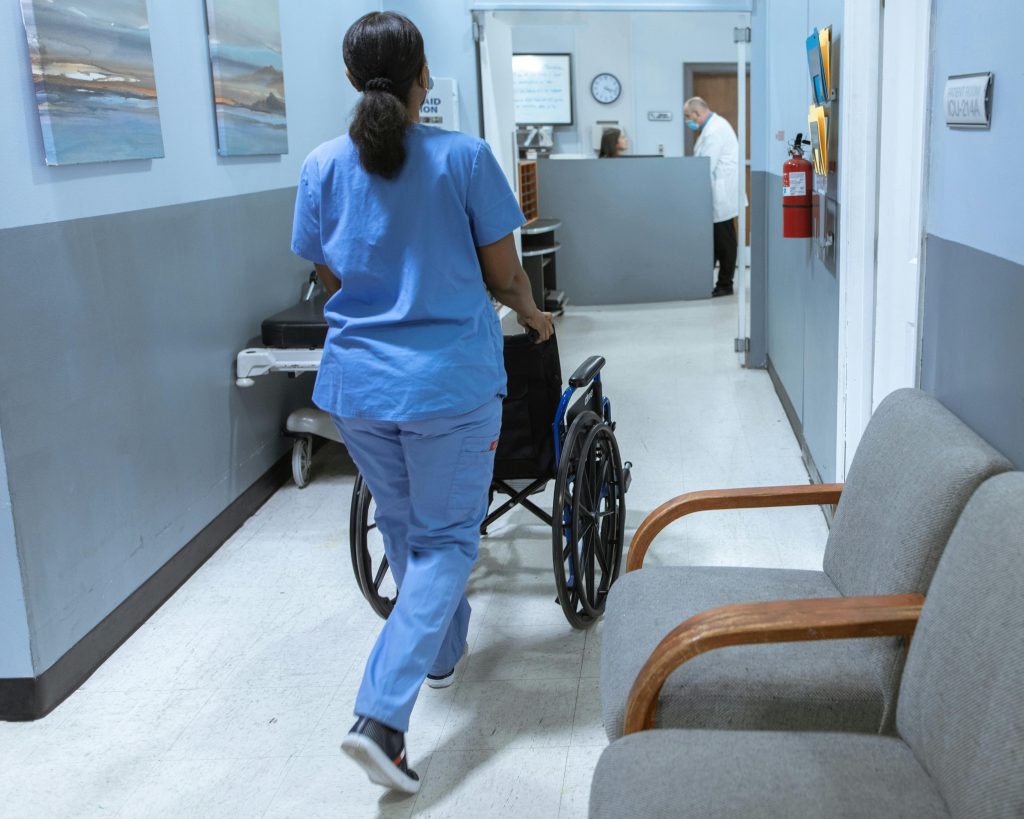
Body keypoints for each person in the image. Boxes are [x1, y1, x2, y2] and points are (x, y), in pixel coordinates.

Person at [290, 12, 554, 795]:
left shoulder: (321, 166)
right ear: (424, 79)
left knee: (405, 527)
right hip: (448, 386)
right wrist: (536, 317)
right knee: (443, 545)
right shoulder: (465, 158)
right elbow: (506, 275)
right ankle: (380, 718)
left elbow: (329, 274)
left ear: (348, 79)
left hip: (358, 387)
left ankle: (440, 651)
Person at [684, 96, 741, 297]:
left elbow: (706, 165)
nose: (687, 121)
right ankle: (719, 282)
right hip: (716, 192)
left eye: (688, 116)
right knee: (717, 241)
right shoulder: (710, 129)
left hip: (721, 193)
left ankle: (725, 284)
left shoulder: (715, 130)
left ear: (697, 113)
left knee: (725, 242)